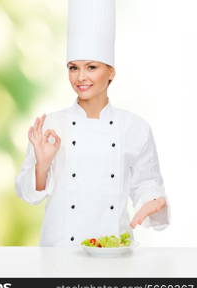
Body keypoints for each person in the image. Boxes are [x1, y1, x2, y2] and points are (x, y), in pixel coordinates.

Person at [15, 0, 170, 246]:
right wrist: (42, 164)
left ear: (111, 72)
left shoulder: (135, 127)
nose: (81, 77)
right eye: (73, 68)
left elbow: (147, 183)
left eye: (92, 67)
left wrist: (154, 200)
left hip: (114, 249)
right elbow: (27, 194)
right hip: (60, 252)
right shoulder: (51, 125)